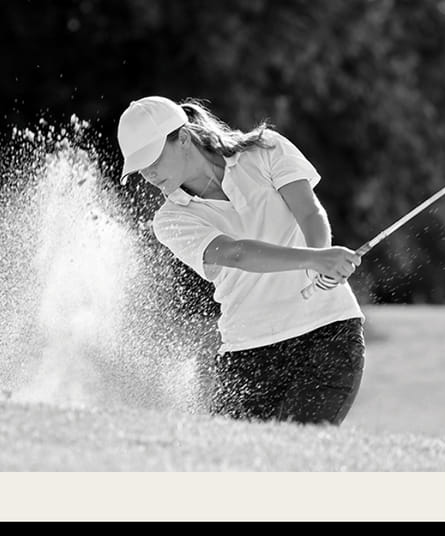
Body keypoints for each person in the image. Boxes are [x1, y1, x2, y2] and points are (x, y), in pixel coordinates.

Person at [117, 95, 366, 425]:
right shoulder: (170, 219)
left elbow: (309, 212)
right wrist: (316, 260)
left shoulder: (265, 150)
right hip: (247, 355)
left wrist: (318, 261)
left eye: (152, 159)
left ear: (184, 138)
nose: (147, 174)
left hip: (326, 337)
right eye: (139, 167)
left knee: (296, 460)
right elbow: (236, 253)